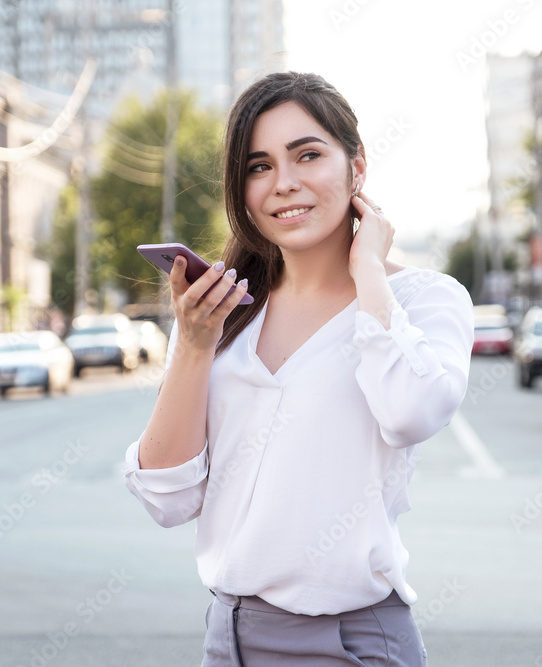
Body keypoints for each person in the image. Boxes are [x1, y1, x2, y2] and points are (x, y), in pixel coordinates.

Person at [123, 72, 474, 666]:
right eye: (259, 166)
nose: (284, 184)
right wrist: (193, 343)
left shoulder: (423, 300)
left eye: (307, 155)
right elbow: (167, 498)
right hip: (228, 635)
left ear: (356, 167)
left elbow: (414, 412)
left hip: (347, 640)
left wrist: (369, 272)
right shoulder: (228, 313)